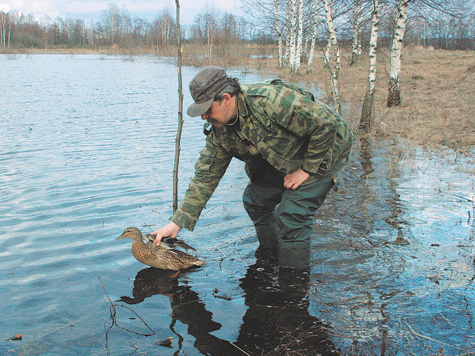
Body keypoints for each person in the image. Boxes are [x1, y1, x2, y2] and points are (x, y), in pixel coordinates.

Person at [152, 66, 353, 269]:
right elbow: (206, 175)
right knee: (255, 200)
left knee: (291, 213)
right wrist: (177, 223)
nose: (204, 117)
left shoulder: (270, 101)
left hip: (326, 148)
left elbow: (327, 124)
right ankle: (273, 256)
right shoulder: (220, 132)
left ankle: (294, 284)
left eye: (207, 110)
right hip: (286, 157)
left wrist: (307, 170)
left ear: (226, 98)